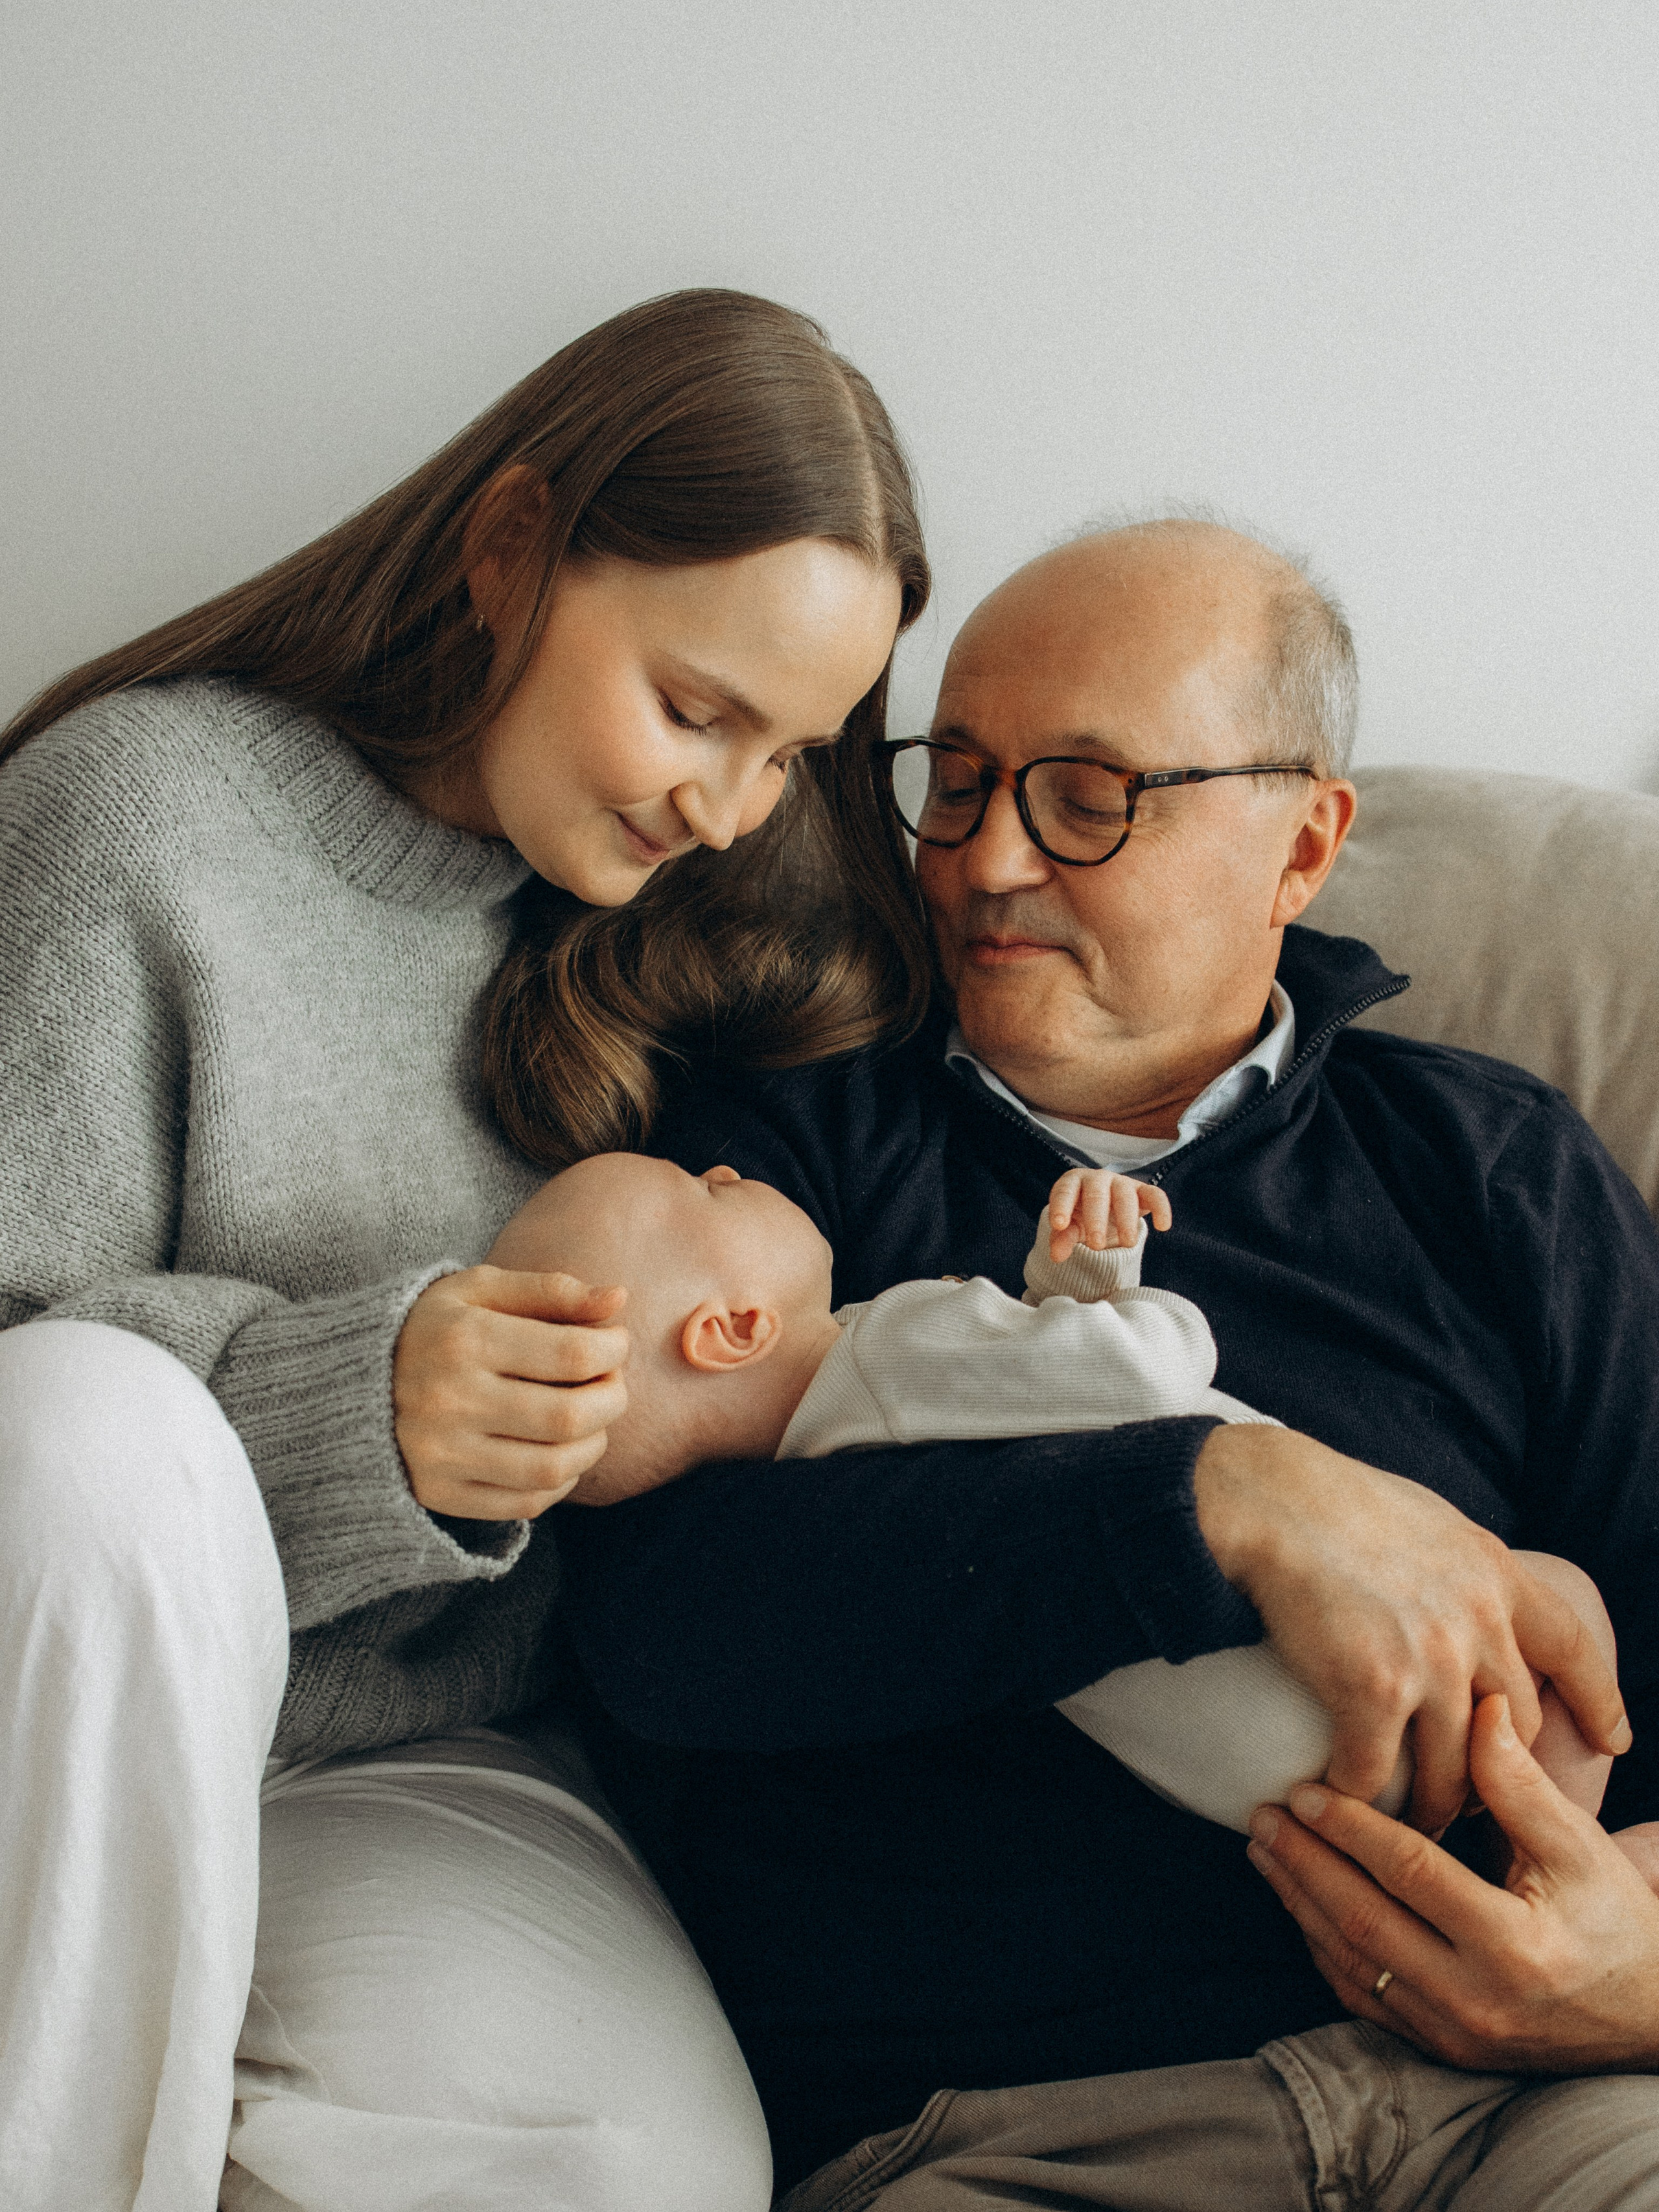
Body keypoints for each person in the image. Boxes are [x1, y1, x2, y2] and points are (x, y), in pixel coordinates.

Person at [557, 519, 1659, 2208]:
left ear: (1303, 846)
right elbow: (659, 1624)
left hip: (1529, 2100)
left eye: (1087, 796)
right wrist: (1210, 1494)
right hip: (1024, 2126)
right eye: (960, 780)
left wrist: (1627, 1967)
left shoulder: (1490, 1163)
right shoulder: (778, 1160)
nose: (984, 861)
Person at [0, 288, 934, 2212]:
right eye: (696, 707)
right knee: (94, 1422)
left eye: (790, 752)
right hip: (65, 1694)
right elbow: (30, 1421)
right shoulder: (141, 815)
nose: (723, 805)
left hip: (402, 1750)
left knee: (650, 2164)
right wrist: (355, 1399)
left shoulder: (692, 947)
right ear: (512, 552)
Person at [488, 1149, 1618, 1836]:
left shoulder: (829, 1458)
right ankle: (1573, 1857)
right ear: (733, 1330)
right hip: (1339, 1680)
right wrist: (1145, 1308)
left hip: (1236, 1773)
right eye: (705, 1190)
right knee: (1560, 1605)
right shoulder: (890, 1350)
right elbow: (1146, 1375)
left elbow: (1040, 1408)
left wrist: (1073, 1284)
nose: (726, 1168)